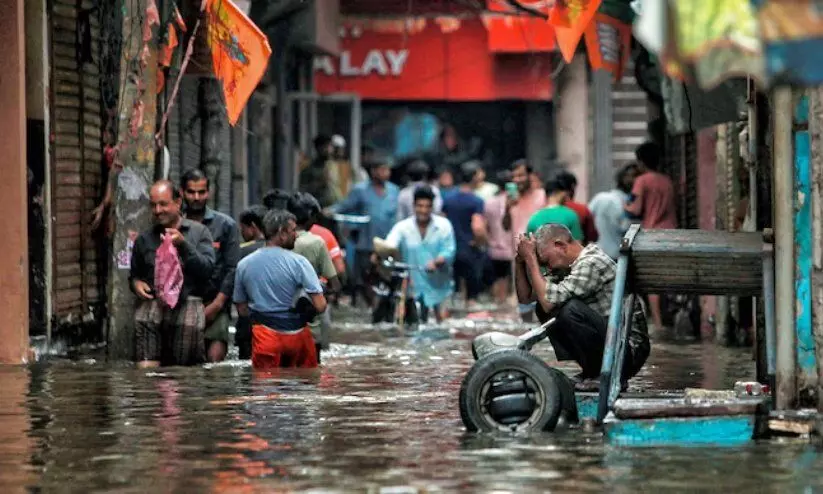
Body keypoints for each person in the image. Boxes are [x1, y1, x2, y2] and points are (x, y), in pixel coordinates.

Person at [515, 224, 650, 389]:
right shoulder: (568, 267)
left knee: (569, 310)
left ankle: (603, 374)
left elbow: (549, 301)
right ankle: (592, 371)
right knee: (544, 307)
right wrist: (520, 262)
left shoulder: (591, 262)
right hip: (612, 345)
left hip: (628, 351)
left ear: (561, 246)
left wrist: (531, 260)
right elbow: (526, 297)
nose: (548, 268)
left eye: (547, 261)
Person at [130, 180, 215, 368]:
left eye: (163, 204)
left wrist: (183, 245)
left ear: (178, 203)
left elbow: (207, 270)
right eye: (153, 205)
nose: (158, 210)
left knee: (182, 376)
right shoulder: (144, 239)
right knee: (146, 373)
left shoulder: (199, 233)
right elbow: (134, 275)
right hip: (153, 311)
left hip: (187, 309)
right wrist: (136, 284)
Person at [233, 210, 327, 369]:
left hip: (265, 337)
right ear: (281, 233)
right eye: (292, 231)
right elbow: (320, 305)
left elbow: (242, 310)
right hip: (297, 337)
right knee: (304, 388)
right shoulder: (300, 263)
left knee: (266, 388)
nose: (296, 235)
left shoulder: (244, 265)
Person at [179, 168, 240, 363]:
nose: (196, 197)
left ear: (209, 193)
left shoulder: (225, 225)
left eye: (201, 192)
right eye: (191, 192)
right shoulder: (174, 224)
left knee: (214, 366)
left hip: (214, 303)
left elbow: (232, 269)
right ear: (182, 193)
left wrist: (217, 305)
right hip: (181, 304)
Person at [327, 151, 399, 307]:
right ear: (373, 171)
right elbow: (345, 206)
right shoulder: (360, 190)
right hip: (366, 242)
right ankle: (371, 306)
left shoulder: (394, 191)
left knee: (389, 278)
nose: (385, 173)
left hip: (387, 244)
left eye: (387, 169)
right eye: (381, 169)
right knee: (365, 279)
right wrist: (329, 211)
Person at [383, 186, 456, 322]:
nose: (423, 210)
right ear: (414, 206)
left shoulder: (444, 226)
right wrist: (381, 253)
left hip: (439, 286)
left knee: (443, 326)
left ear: (432, 207)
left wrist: (437, 262)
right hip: (412, 287)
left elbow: (449, 250)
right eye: (420, 206)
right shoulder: (402, 227)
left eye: (427, 206)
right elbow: (390, 244)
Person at [625, 141, 677, 331]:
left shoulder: (642, 180)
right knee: (668, 277)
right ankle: (669, 319)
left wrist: (626, 205)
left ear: (641, 162)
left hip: (652, 234)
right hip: (672, 233)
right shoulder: (667, 180)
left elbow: (635, 209)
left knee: (652, 280)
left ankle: (658, 323)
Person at [287, 192, 341, 361]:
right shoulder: (317, 242)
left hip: (277, 326)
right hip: (310, 326)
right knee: (311, 378)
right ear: (310, 216)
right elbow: (336, 280)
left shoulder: (278, 239)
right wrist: (329, 290)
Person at [504, 159, 547, 321]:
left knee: (543, 302)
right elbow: (506, 226)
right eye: (514, 176)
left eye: (521, 175)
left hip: (541, 257)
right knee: (523, 304)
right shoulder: (510, 199)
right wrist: (507, 208)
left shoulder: (542, 196)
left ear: (530, 176)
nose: (517, 179)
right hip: (518, 256)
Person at [443, 160, 488, 309]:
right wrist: (480, 242)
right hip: (469, 250)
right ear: (474, 177)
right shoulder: (476, 201)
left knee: (453, 297)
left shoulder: (448, 198)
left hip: (450, 251)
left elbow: (441, 223)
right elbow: (478, 228)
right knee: (471, 300)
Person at [235, 205, 269, 359]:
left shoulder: (240, 251)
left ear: (253, 227)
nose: (241, 233)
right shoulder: (282, 250)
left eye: (242, 228)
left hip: (249, 323)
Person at [588, 163, 639, 259]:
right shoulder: (629, 204)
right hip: (617, 256)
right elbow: (626, 231)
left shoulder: (600, 197)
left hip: (596, 253)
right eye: (633, 176)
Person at [483, 170, 515, 304]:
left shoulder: (489, 202)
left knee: (497, 279)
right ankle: (504, 307)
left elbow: (486, 226)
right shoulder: (513, 202)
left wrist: (488, 241)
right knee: (507, 283)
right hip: (510, 248)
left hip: (494, 247)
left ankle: (497, 305)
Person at [555, 170, 598, 244]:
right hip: (578, 252)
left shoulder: (544, 210)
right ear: (572, 187)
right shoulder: (582, 209)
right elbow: (593, 236)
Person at [299, 135, 336, 208]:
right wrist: (320, 183)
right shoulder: (309, 169)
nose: (329, 150)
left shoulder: (336, 166)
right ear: (318, 148)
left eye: (330, 146)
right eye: (326, 147)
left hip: (335, 210)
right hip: (318, 209)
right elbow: (302, 192)